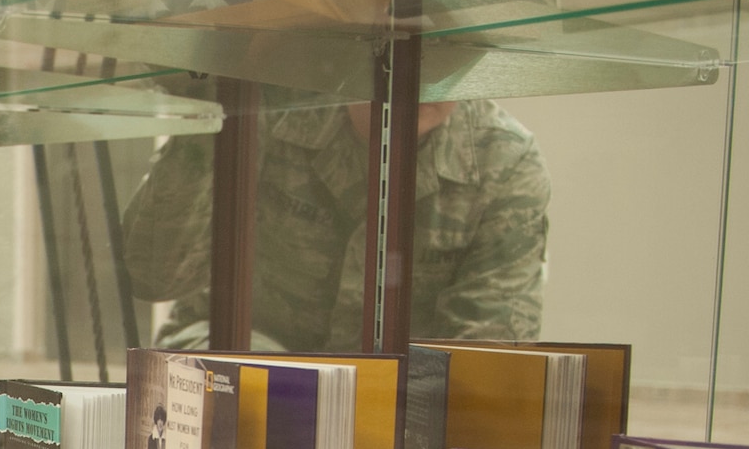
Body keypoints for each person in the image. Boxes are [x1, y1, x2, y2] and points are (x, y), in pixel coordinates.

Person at [121, 96, 554, 351]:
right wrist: (208, 112)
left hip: (395, 407)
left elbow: (488, 356)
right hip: (234, 360)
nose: (421, 70)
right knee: (274, 393)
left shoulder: (503, 159)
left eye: (446, 48)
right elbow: (153, 274)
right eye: (396, 38)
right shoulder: (271, 103)